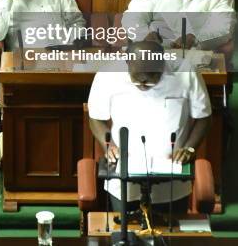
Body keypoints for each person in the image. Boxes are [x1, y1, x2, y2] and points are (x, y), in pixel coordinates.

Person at [88, 39, 212, 211]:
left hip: (171, 179)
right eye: (137, 79)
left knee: (172, 233)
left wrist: (190, 148)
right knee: (126, 231)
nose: (144, 84)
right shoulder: (108, 74)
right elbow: (95, 117)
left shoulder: (185, 72)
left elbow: (204, 116)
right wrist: (108, 146)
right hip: (124, 177)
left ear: (163, 64)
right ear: (127, 63)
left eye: (152, 77)